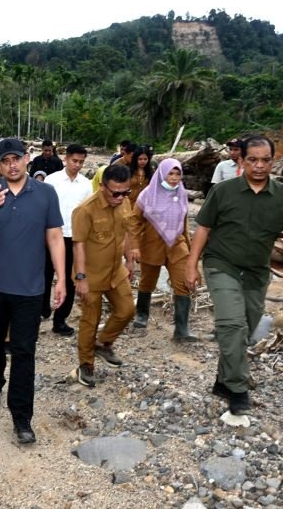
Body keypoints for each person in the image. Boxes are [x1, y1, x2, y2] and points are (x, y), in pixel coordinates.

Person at [186, 135, 283, 416]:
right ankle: (238, 387)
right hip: (222, 265)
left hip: (256, 272)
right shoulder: (223, 191)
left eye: (265, 160)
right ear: (241, 161)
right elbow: (203, 228)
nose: (259, 166)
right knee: (232, 325)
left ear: (273, 161)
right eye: (252, 160)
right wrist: (191, 265)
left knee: (246, 327)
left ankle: (222, 380)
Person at [0, 137, 65, 445]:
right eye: (5, 160)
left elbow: (55, 237)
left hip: (30, 288)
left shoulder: (46, 193)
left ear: (26, 158)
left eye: (16, 159)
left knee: (25, 351)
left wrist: (62, 278)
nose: (12, 165)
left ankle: (22, 418)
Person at [71, 164, 137, 387]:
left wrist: (129, 259)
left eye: (125, 192)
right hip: (91, 275)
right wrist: (81, 278)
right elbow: (78, 245)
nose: (120, 197)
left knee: (127, 310)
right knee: (91, 319)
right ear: (102, 187)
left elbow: (126, 232)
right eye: (115, 193)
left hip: (115, 271)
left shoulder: (125, 202)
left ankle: (104, 343)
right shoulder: (85, 210)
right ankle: (86, 364)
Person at [129, 159, 197, 341]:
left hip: (177, 245)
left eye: (177, 174)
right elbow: (135, 221)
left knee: (183, 283)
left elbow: (184, 220)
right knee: (147, 282)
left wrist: (189, 248)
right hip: (152, 244)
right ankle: (142, 315)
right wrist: (134, 245)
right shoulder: (148, 194)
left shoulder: (181, 193)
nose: (174, 178)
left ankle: (182, 329)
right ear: (162, 174)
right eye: (171, 174)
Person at [42, 144, 91, 337]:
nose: (77, 165)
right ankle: (42, 309)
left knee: (70, 280)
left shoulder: (86, 185)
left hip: (74, 238)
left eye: (81, 162)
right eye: (74, 161)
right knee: (44, 276)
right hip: (51, 235)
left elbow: (87, 214)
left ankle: (60, 320)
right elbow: (43, 208)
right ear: (66, 159)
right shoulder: (51, 181)